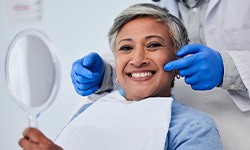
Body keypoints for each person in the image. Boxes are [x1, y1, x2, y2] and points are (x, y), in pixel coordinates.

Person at [19, 3, 222, 150]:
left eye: (153, 45)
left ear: (179, 59)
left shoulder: (193, 128)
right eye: (126, 48)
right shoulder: (87, 113)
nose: (138, 59)